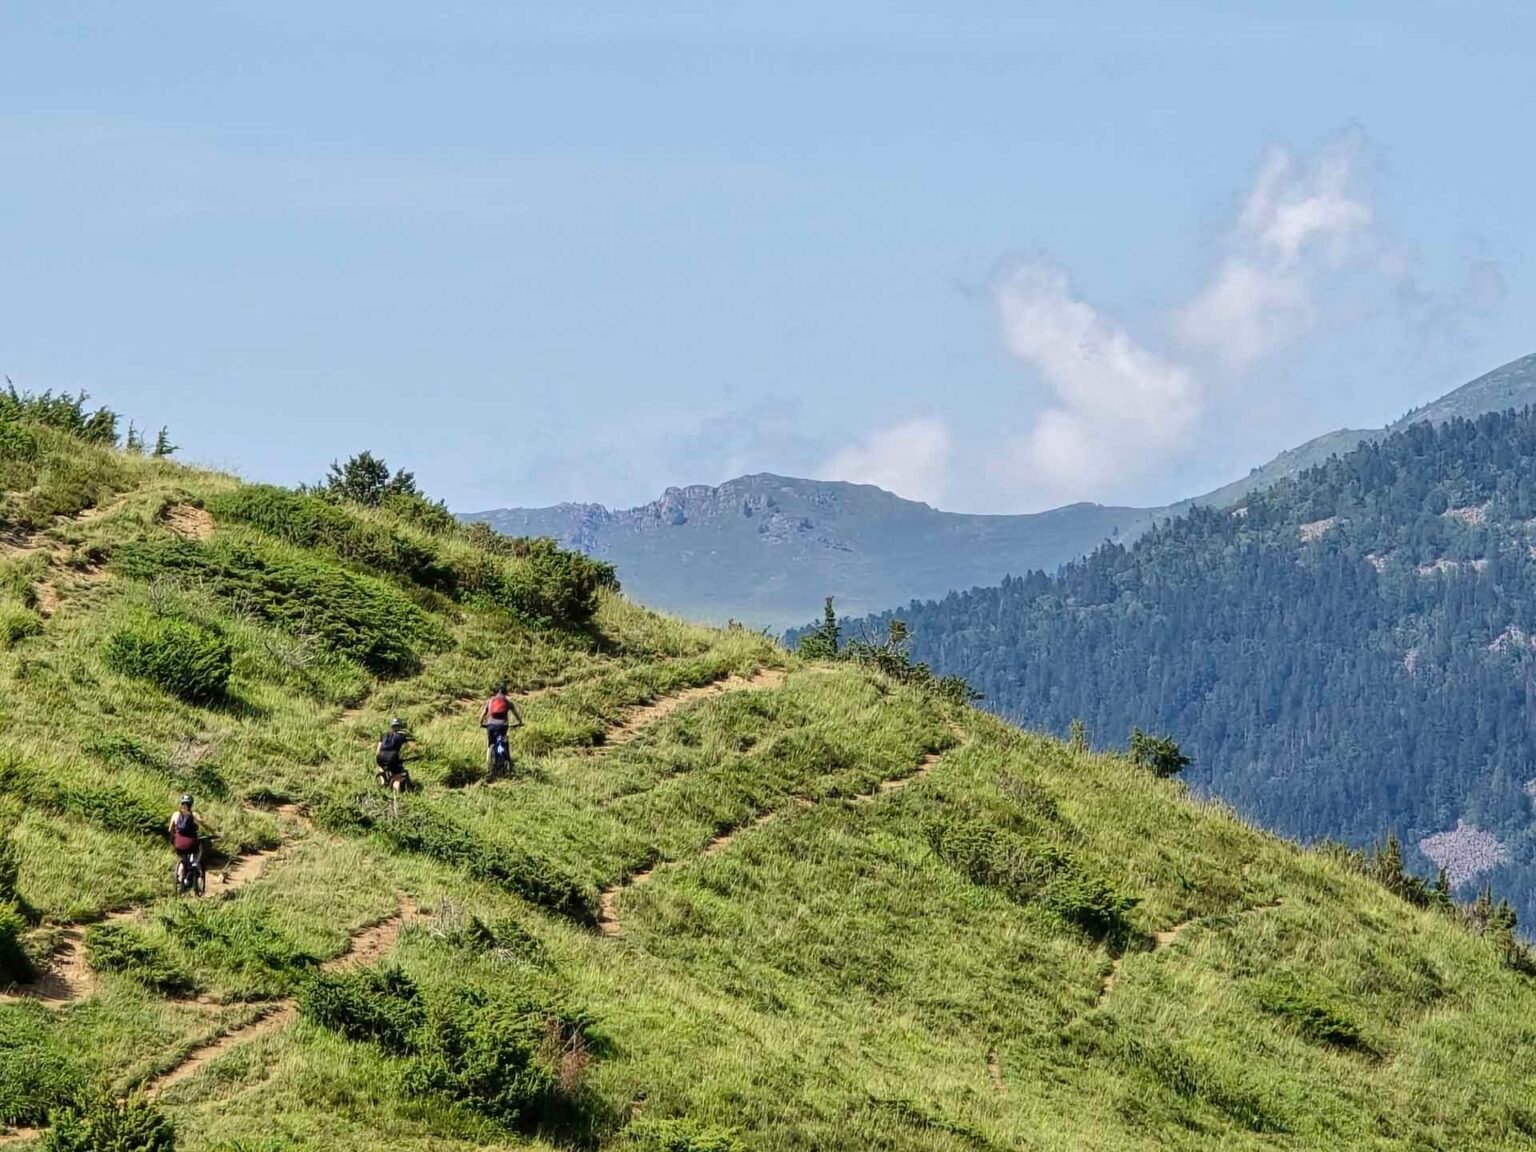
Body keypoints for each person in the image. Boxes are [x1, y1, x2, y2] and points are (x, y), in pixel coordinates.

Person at [168, 794, 209, 882]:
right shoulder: (194, 814)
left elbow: (170, 830)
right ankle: (195, 863)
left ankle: (180, 877)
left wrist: (173, 839)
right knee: (199, 848)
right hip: (191, 843)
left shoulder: (175, 814)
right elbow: (205, 825)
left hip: (178, 843)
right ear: (191, 804)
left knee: (183, 858)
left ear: (181, 803)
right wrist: (214, 833)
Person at [478, 683, 524, 756]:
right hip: (502, 726)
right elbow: (516, 714)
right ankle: (506, 759)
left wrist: (481, 723)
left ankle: (488, 760)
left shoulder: (490, 701)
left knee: (490, 745)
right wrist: (520, 722)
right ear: (505, 692)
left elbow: (483, 714)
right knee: (503, 742)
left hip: (490, 726)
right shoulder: (508, 702)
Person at [376, 717, 413, 783]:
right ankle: (396, 789)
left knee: (382, 767)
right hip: (392, 758)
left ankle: (383, 782)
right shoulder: (402, 735)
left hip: (380, 757)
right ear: (400, 727)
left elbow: (378, 750)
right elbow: (413, 747)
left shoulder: (384, 735)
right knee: (397, 776)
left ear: (391, 726)